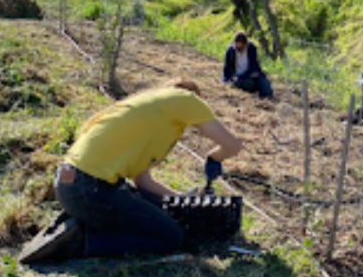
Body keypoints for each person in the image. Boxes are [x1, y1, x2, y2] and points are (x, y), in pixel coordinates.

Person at [28, 80, 243, 263]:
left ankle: (80, 223)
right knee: (170, 237)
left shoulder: (148, 115)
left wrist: (182, 201)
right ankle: (81, 241)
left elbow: (143, 183)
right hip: (90, 188)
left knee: (154, 212)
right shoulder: (186, 99)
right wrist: (214, 157)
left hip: (71, 187)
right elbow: (232, 146)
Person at [222, 31, 273, 99]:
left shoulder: (252, 48)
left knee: (268, 91)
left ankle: (260, 90)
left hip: (251, 74)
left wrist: (249, 75)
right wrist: (227, 81)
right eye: (237, 47)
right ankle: (251, 88)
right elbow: (226, 68)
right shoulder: (230, 51)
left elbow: (253, 65)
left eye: (241, 48)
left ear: (246, 45)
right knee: (249, 84)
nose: (239, 49)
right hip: (238, 77)